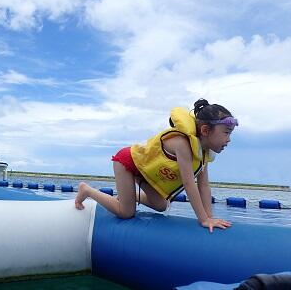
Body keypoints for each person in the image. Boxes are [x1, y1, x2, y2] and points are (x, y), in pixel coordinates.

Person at [75, 99, 237, 233]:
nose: (229, 139)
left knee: (161, 205)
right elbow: (189, 184)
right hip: (128, 162)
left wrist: (210, 217)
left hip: (143, 172)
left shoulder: (203, 152)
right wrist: (203, 220)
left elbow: (204, 186)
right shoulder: (182, 144)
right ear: (205, 130)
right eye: (226, 132)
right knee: (126, 213)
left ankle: (130, 196)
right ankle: (87, 190)